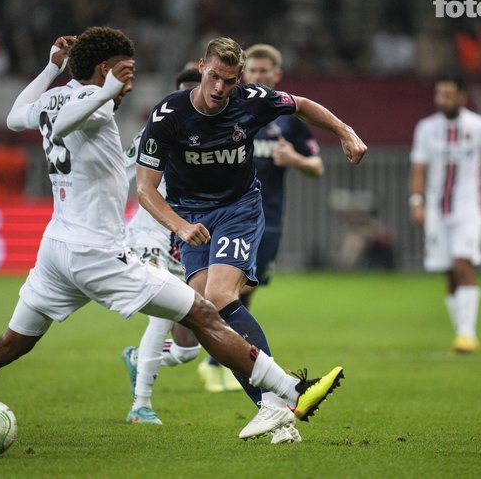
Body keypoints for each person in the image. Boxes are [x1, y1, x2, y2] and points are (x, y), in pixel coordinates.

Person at [0, 28, 343, 452]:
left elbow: (18, 117)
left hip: (56, 250)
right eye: (126, 71)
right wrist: (104, 92)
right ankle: (291, 391)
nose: (130, 82)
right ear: (105, 69)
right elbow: (67, 124)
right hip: (97, 253)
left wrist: (52, 68)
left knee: (8, 343)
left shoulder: (56, 98)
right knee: (203, 311)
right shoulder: (92, 104)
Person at [135, 37, 366, 442]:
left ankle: (278, 399)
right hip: (192, 217)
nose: (219, 88)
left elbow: (302, 105)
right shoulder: (168, 115)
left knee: (220, 297)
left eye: (229, 81)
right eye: (213, 77)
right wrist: (180, 226)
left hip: (238, 209)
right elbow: (145, 189)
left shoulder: (253, 100)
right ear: (201, 67)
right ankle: (275, 409)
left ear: (239, 78)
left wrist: (344, 131)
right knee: (203, 313)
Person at [197, 44, 325, 394]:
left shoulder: (287, 120)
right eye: (251, 71)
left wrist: (295, 159)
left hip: (269, 216)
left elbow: (317, 166)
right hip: (229, 214)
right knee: (230, 289)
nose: (256, 77)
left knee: (243, 290)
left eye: (263, 72)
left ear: (276, 75)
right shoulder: (230, 111)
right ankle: (221, 359)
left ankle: (221, 357)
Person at [120, 68, 207, 427]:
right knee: (160, 316)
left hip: (185, 238)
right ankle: (141, 406)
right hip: (151, 235)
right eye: (185, 92)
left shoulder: (214, 132)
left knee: (188, 350)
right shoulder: (157, 129)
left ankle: (137, 358)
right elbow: (121, 170)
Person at [409, 75, 481, 354]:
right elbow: (419, 168)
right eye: (438, 94)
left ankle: (467, 334)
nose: (441, 100)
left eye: (447, 95)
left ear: (462, 97)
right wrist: (416, 202)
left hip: (469, 208)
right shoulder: (426, 128)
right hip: (437, 209)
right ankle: (461, 332)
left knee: (462, 264)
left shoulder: (480, 127)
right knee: (449, 271)